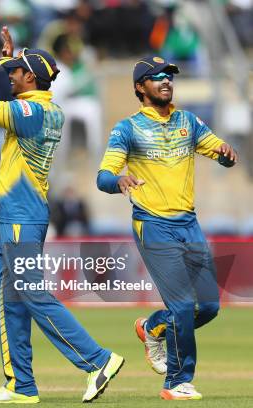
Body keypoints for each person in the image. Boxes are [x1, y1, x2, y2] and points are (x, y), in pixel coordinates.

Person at [0, 28, 124, 404]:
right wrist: (8, 59)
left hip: (22, 216)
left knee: (31, 294)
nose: (10, 75)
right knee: (11, 301)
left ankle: (97, 360)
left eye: (16, 72)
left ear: (30, 78)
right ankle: (20, 385)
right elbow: (18, 84)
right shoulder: (44, 107)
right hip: (18, 215)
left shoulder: (30, 112)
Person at [97, 56, 238, 400]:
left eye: (169, 76)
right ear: (139, 87)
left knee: (207, 307)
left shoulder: (187, 121)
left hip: (188, 224)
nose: (165, 81)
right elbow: (102, 177)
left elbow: (216, 149)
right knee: (181, 307)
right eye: (156, 77)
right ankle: (176, 382)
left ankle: (152, 327)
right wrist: (119, 180)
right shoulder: (127, 128)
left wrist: (224, 154)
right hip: (153, 224)